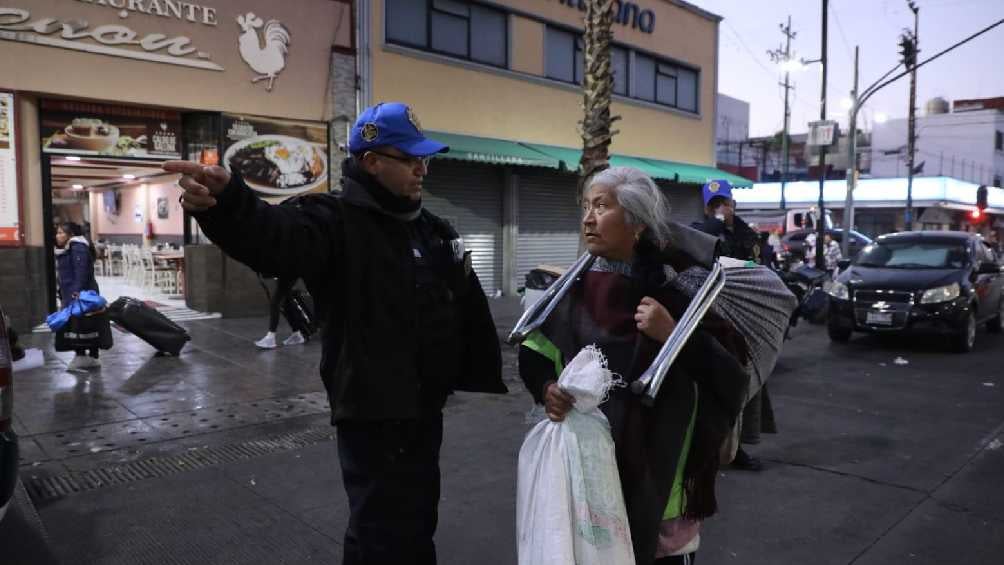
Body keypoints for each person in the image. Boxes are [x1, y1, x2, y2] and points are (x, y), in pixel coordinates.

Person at [166, 102, 505, 565]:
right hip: (372, 413)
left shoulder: (430, 229)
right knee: (387, 534)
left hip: (424, 409)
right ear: (371, 162)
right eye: (409, 159)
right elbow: (276, 238)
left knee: (407, 520)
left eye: (425, 159)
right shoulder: (333, 220)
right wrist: (229, 205)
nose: (421, 169)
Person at [519, 167, 750, 564]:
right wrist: (546, 389)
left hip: (660, 487)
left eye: (602, 207)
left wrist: (674, 334)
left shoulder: (682, 291)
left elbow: (730, 378)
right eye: (586, 206)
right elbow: (534, 353)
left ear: (637, 224)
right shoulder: (572, 290)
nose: (588, 218)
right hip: (589, 481)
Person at [691, 180, 774, 472]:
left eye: (723, 203)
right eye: (714, 205)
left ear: (732, 204)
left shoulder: (746, 235)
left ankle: (736, 447)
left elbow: (754, 269)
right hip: (708, 318)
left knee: (741, 385)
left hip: (740, 319)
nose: (720, 210)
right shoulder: (698, 232)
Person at [55, 222, 101, 371]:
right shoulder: (70, 248)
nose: (58, 235)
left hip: (80, 294)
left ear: (71, 235)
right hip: (73, 293)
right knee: (82, 325)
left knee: (82, 325)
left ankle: (86, 356)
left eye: (62, 232)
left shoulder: (77, 247)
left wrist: (76, 291)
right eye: (58, 232)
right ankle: (86, 356)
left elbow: (81, 271)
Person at [691, 179, 761, 264]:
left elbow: (755, 261)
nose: (720, 209)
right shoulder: (698, 228)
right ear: (706, 209)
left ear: (734, 204)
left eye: (725, 204)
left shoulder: (745, 231)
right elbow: (698, 240)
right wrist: (719, 218)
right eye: (715, 205)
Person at [255, 274, 306, 349]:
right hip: (288, 272)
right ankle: (297, 335)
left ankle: (270, 338)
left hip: (289, 271)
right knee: (287, 302)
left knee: (275, 302)